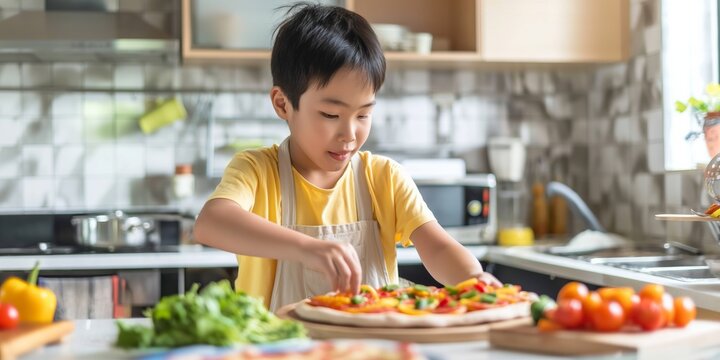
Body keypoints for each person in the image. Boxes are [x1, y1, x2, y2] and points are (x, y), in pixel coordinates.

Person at [194, 3, 500, 312]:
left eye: (364, 114)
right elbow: (211, 223)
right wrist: (306, 249)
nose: (349, 134)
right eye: (330, 114)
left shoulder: (384, 178)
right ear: (283, 104)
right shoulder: (258, 171)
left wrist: (474, 279)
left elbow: (437, 245)